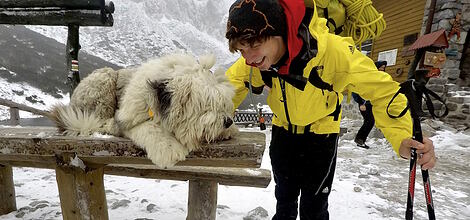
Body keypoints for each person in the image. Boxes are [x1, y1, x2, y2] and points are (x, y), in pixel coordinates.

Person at [224, 0, 437, 219]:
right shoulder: (256, 62)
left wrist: (403, 137)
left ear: (279, 30)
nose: (248, 59)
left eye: (253, 45)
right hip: (283, 135)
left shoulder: (333, 52)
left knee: (314, 208)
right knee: (284, 201)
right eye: (241, 51)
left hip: (320, 137)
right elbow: (224, 91)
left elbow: (383, 91)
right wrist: (205, 123)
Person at [352, 60, 387, 149]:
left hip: (372, 103)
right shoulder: (368, 77)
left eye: (383, 68)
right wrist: (360, 103)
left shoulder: (380, 78)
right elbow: (355, 89)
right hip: (364, 103)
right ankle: (359, 140)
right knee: (369, 121)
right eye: (381, 67)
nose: (382, 69)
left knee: (369, 121)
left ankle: (360, 140)